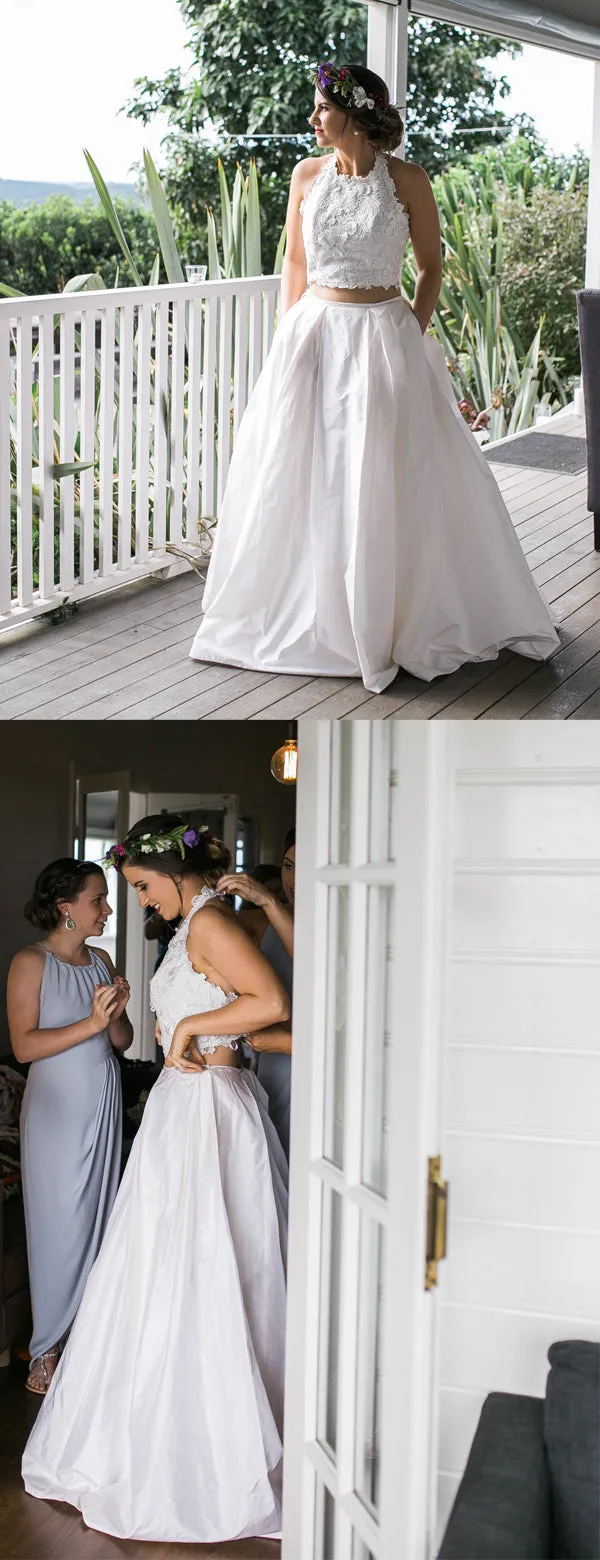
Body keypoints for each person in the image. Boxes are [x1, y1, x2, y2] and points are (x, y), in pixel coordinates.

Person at [190, 60, 558, 694]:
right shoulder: (306, 175)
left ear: (355, 114)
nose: (312, 120)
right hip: (312, 338)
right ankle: (315, 612)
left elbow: (431, 268)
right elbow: (295, 267)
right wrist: (287, 337)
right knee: (307, 473)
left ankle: (391, 615)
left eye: (321, 109)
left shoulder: (408, 180)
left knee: (386, 472)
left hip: (384, 340)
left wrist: (408, 330)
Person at [22, 816, 289, 1545]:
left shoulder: (208, 924)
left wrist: (180, 1034)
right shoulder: (199, 924)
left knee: (210, 1267)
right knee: (167, 1270)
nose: (139, 901)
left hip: (207, 1113)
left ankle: (210, 1455)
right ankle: (166, 1432)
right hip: (187, 1111)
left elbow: (272, 1001)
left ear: (176, 873)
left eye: (141, 886)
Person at [7, 859, 132, 1396]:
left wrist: (118, 1012)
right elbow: (23, 1047)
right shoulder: (30, 962)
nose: (106, 909)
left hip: (102, 1099)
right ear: (67, 908)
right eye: (98, 899)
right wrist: (91, 1022)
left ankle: (91, 1342)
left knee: (101, 1221)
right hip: (55, 1109)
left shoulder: (102, 960)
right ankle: (46, 1349)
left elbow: (120, 1042)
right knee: (58, 1224)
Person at [219, 828, 295, 1160]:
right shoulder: (259, 924)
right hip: (273, 1066)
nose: (294, 878)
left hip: (310, 1063)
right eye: (288, 865)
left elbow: (314, 969)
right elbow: (206, 937)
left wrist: (268, 899)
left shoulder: (346, 924)